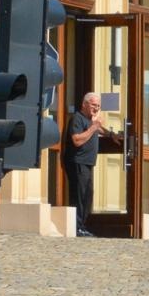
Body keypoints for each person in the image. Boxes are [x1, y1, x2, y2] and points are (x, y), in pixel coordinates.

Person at [65, 93, 106, 237]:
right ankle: (77, 227)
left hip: (88, 164)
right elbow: (76, 140)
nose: (96, 108)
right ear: (84, 104)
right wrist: (93, 128)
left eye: (98, 106)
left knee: (87, 196)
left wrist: (112, 135)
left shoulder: (90, 121)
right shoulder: (77, 118)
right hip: (78, 162)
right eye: (94, 105)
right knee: (79, 196)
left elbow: (99, 129)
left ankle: (82, 225)